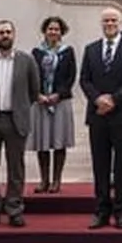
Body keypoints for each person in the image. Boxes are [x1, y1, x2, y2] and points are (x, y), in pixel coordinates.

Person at [79, 8, 122, 229]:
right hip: (97, 116)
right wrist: (98, 99)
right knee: (100, 166)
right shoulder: (91, 49)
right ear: (101, 23)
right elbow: (84, 80)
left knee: (121, 166)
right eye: (106, 20)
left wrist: (114, 100)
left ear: (120, 23)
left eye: (113, 20)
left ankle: (121, 211)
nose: (109, 24)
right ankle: (101, 211)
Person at [0, 19, 41, 229]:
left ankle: (14, 210)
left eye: (8, 32)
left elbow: (34, 91)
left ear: (14, 35)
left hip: (15, 120)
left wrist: (20, 108)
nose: (5, 35)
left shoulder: (27, 61)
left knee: (16, 168)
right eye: (1, 32)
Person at [29, 16, 77, 193]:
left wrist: (59, 94)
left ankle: (56, 180)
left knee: (59, 142)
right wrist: (38, 94)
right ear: (45, 31)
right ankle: (44, 180)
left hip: (60, 102)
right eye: (50, 29)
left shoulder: (68, 52)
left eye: (56, 29)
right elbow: (31, 75)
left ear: (61, 32)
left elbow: (71, 76)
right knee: (42, 143)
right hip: (41, 102)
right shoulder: (36, 52)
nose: (53, 32)